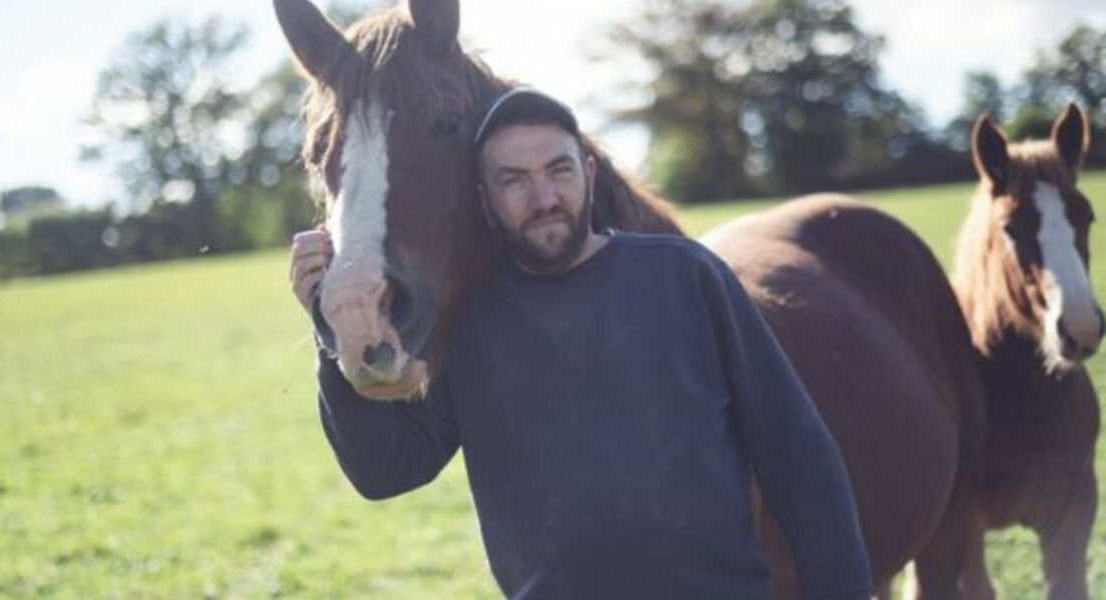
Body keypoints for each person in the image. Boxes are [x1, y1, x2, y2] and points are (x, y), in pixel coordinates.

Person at [290, 88, 872, 599]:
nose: (542, 198)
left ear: (588, 175)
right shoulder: (470, 322)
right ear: (483, 199)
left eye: (558, 171)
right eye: (513, 181)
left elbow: (797, 452)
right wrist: (334, 328)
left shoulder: (687, 277)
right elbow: (386, 471)